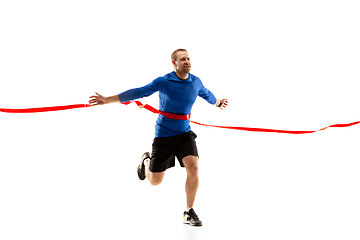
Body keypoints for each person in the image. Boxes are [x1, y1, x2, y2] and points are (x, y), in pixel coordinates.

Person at [89, 49, 228, 226]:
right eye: (182, 59)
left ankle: (188, 211)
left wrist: (218, 103)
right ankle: (146, 160)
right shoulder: (164, 81)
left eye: (188, 58)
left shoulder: (196, 82)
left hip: (185, 133)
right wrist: (108, 99)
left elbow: (208, 95)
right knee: (155, 181)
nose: (187, 61)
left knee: (193, 168)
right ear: (174, 63)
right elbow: (139, 92)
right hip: (164, 134)